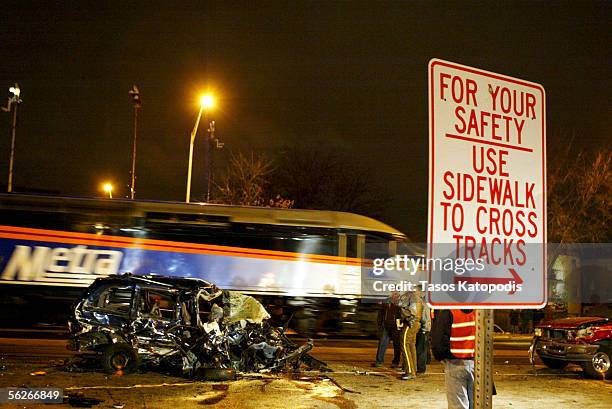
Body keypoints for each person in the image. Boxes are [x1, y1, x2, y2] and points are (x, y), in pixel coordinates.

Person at [431, 309, 476, 409]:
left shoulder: (449, 311)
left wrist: (441, 356)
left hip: (454, 362)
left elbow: (438, 339)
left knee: (457, 404)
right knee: (477, 403)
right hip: (477, 363)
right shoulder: (480, 311)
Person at [397, 289, 425, 380]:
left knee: (405, 345)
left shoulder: (410, 296)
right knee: (411, 346)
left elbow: (401, 306)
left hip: (410, 323)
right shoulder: (419, 298)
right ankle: (413, 370)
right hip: (416, 323)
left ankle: (409, 371)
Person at [372, 291, 402, 368]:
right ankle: (379, 361)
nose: (394, 294)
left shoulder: (401, 302)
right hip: (386, 326)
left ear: (399, 294)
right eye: (393, 292)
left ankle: (396, 362)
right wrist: (379, 323)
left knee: (397, 345)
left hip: (396, 327)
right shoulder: (386, 301)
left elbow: (403, 314)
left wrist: (401, 326)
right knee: (382, 343)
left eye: (396, 293)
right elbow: (381, 313)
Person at [416, 296, 431, 374]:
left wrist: (425, 329)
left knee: (421, 349)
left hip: (423, 329)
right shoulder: (422, 302)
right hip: (422, 328)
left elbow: (425, 317)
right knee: (421, 348)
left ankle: (421, 369)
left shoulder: (423, 303)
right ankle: (420, 367)